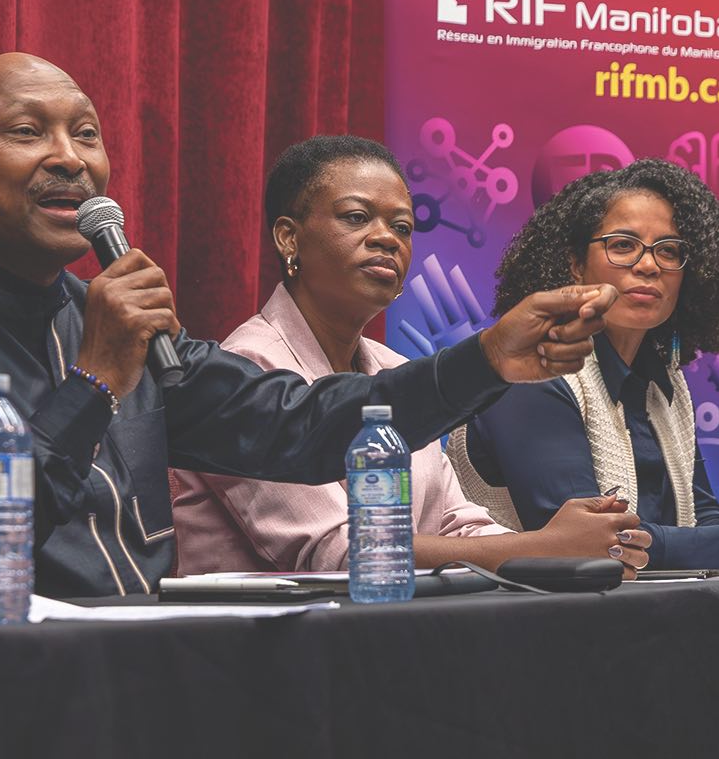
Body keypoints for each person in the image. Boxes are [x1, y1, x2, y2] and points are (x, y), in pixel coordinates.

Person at [0, 53, 619, 600]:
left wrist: (484, 359)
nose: (70, 159)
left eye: (86, 133)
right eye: (28, 133)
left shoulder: (103, 317)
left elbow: (302, 425)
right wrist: (92, 384)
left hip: (143, 667)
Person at [170, 136, 653, 576]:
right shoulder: (250, 364)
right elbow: (342, 554)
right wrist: (545, 547)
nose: (387, 238)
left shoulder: (394, 370)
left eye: (402, 226)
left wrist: (565, 546)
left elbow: (456, 526)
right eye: (356, 217)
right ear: (288, 238)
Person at [460, 159, 719, 570]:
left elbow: (703, 517)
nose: (649, 265)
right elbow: (593, 542)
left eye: (668, 251)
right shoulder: (534, 369)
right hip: (528, 619)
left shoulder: (667, 383)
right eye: (623, 245)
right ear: (574, 264)